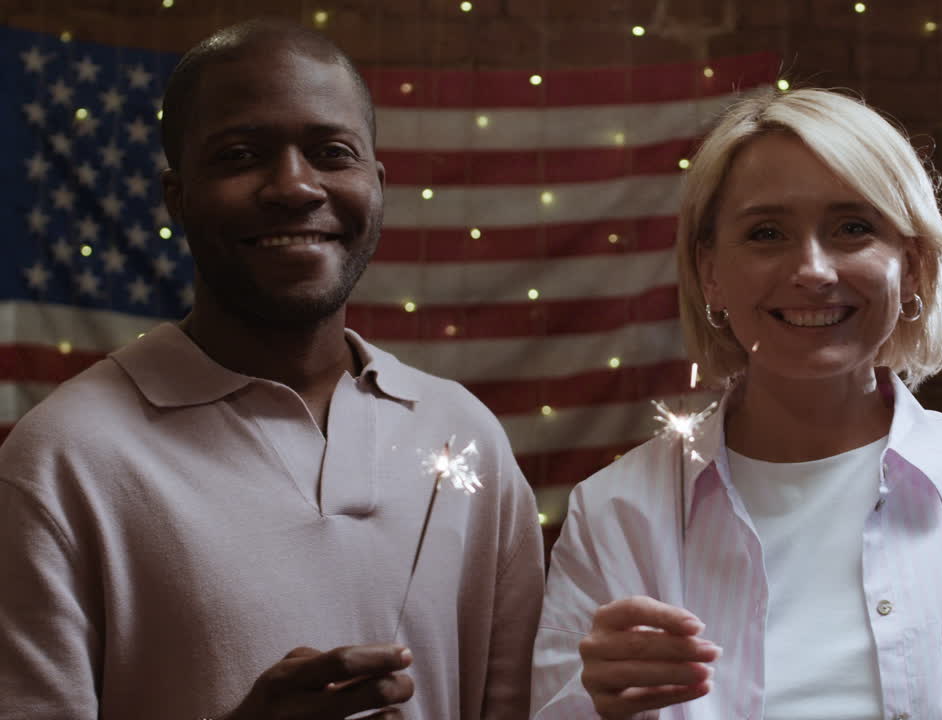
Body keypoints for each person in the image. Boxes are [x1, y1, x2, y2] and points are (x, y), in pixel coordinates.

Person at [0, 20, 543, 720]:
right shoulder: (60, 460)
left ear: (375, 185)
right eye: (240, 154)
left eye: (331, 152)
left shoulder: (465, 436)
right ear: (177, 195)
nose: (294, 186)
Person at [531, 88, 942, 719]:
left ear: (914, 263)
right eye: (766, 233)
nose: (813, 270)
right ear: (710, 272)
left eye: (853, 228)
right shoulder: (616, 512)